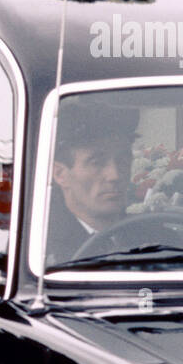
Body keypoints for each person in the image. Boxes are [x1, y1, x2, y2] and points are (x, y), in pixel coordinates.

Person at [46, 104, 138, 264]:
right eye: (97, 163)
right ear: (60, 174)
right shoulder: (41, 249)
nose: (114, 175)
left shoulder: (157, 236)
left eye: (122, 161)